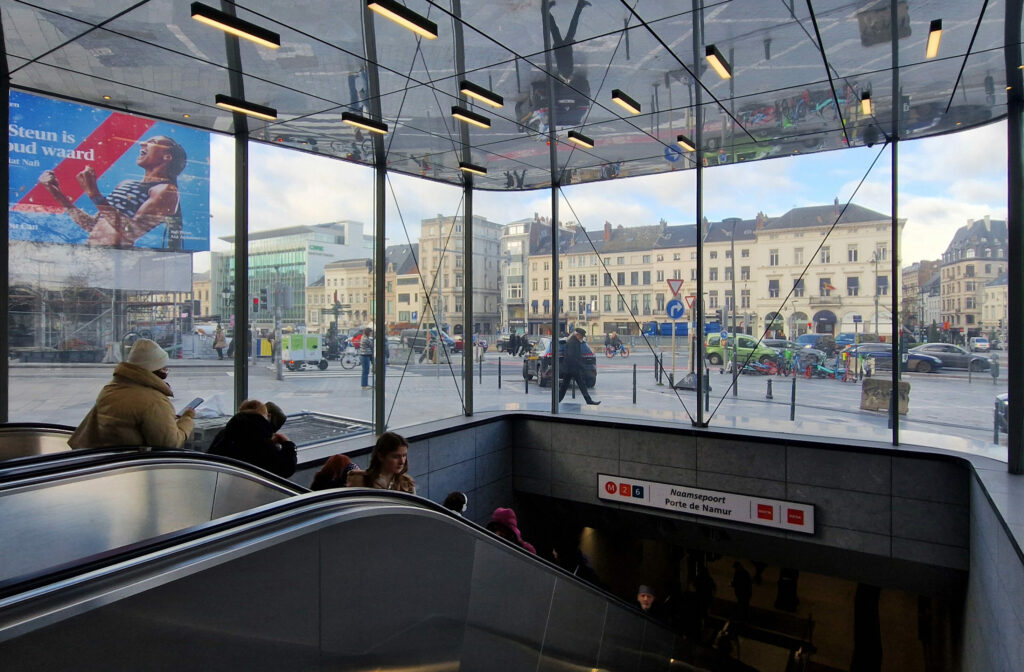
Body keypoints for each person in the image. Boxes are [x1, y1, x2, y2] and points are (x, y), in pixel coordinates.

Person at [38, 135, 187, 250]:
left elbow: (130, 231)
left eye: (152, 142)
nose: (142, 143)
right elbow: (92, 225)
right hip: (92, 255)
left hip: (115, 260)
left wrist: (93, 192)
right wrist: (57, 193)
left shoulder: (167, 190)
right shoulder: (125, 184)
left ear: (167, 157)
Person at [69, 338, 194, 450]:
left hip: (106, 462)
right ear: (156, 370)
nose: (165, 373)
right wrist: (187, 419)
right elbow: (170, 443)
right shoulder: (154, 401)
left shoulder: (109, 390)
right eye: (164, 368)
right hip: (134, 468)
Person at [207, 399, 296, 478]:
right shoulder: (261, 441)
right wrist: (288, 444)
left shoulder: (224, 433)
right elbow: (285, 469)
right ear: (266, 416)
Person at [346, 431, 416, 493]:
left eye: (404, 456)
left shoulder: (407, 484)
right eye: (396, 457)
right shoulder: (360, 480)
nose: (402, 462)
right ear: (381, 456)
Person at [558, 327, 600, 405]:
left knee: (576, 385)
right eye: (581, 336)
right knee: (571, 386)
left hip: (571, 368)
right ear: (577, 335)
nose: (582, 338)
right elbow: (572, 356)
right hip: (572, 368)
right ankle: (557, 400)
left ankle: (557, 400)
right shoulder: (572, 342)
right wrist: (580, 365)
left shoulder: (574, 341)